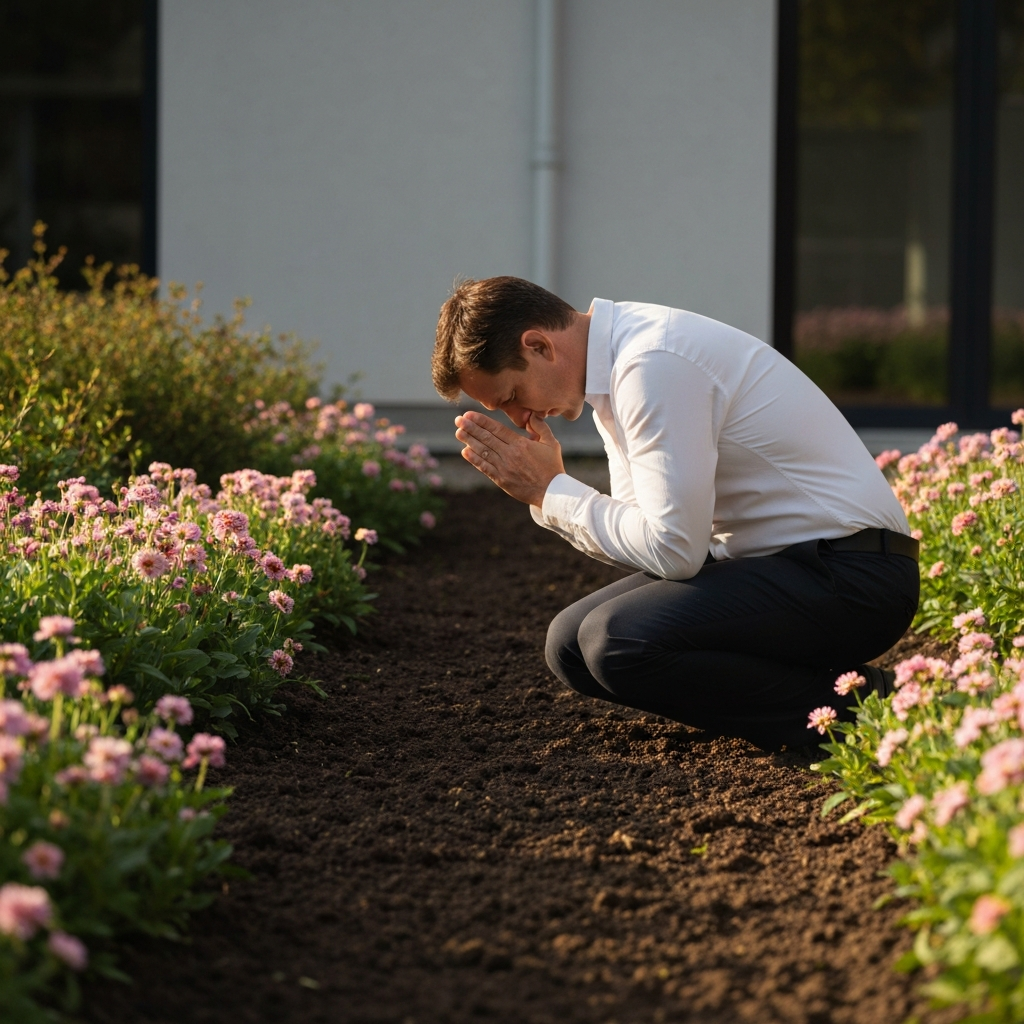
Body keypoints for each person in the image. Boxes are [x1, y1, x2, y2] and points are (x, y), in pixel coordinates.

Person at [431, 276, 918, 750]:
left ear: (538, 345)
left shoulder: (650, 365)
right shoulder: (613, 371)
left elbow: (674, 551)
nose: (521, 419)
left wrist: (553, 491)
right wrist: (550, 494)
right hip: (786, 566)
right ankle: (806, 700)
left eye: (513, 397)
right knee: (569, 645)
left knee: (615, 639)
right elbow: (648, 537)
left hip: (855, 578)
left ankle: (872, 708)